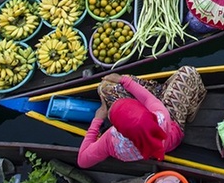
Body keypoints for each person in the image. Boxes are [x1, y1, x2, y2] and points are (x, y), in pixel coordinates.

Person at [76, 67, 207, 168]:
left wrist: (97, 120)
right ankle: (190, 108)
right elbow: (147, 98)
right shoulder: (161, 117)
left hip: (153, 139)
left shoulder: (113, 142)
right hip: (173, 129)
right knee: (188, 72)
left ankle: (162, 91)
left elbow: (82, 161)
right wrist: (124, 80)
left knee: (104, 87)